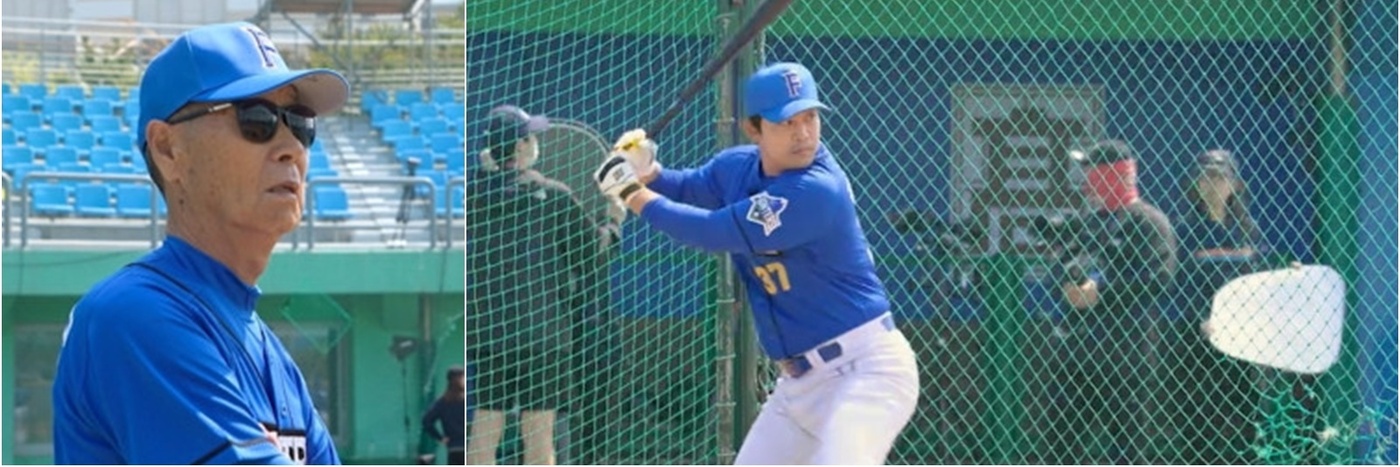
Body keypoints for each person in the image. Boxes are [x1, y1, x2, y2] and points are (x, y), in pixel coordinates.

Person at [592, 62, 919, 464]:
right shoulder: (737, 167)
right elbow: (689, 187)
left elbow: (711, 231)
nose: (803, 133)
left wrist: (631, 192)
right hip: (798, 386)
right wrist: (648, 171)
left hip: (864, 373)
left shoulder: (816, 189)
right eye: (786, 122)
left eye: (810, 117)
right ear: (754, 129)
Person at [51, 22, 348, 464]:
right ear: (168, 150)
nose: (291, 146)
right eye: (257, 119)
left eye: (300, 123)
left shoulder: (273, 354)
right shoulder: (132, 315)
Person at [465, 105, 610, 465]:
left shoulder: (471, 197)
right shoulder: (552, 196)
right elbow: (592, 256)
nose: (535, 143)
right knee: (539, 434)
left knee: (485, 426)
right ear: (519, 146)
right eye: (529, 137)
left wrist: (484, 175)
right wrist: (614, 219)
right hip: (543, 336)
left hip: (489, 334)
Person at [1048, 139, 1178, 464]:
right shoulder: (1089, 222)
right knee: (1061, 446)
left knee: (1127, 450)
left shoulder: (1148, 221)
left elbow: (1159, 277)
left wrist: (1101, 293)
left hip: (1127, 354)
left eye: (1093, 171)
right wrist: (1068, 285)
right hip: (1078, 354)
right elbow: (1067, 268)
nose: (1087, 181)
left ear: (1112, 174)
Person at [1163, 149, 1266, 464]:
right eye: (1205, 177)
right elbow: (1179, 287)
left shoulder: (1248, 231)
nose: (1212, 184)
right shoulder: (1183, 232)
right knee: (1198, 429)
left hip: (1243, 344)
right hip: (1197, 343)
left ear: (1234, 185)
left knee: (1245, 424)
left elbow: (1259, 281)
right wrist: (1202, 319)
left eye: (1220, 177)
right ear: (1195, 185)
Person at [422, 366, 467, 465]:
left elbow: (426, 421)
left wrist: (440, 438)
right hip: (468, 446)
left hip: (454, 448)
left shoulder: (442, 402)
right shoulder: (465, 400)